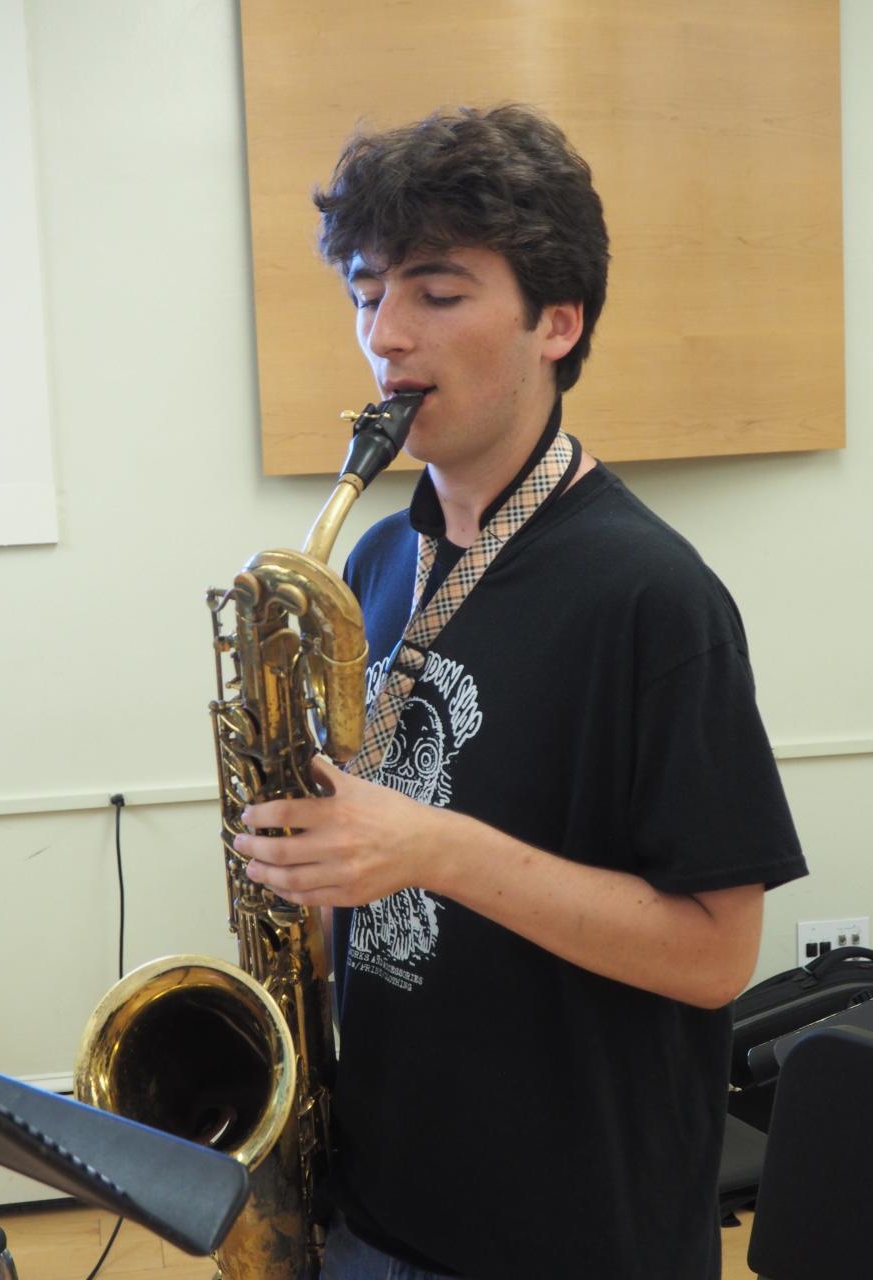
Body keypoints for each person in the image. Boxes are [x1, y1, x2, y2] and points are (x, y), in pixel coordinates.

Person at [232, 105, 808, 1280]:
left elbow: (717, 952)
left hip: (571, 1231)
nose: (385, 335)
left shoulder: (653, 596)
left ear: (558, 319)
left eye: (437, 294)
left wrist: (431, 846)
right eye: (364, 292)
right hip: (378, 1196)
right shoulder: (374, 563)